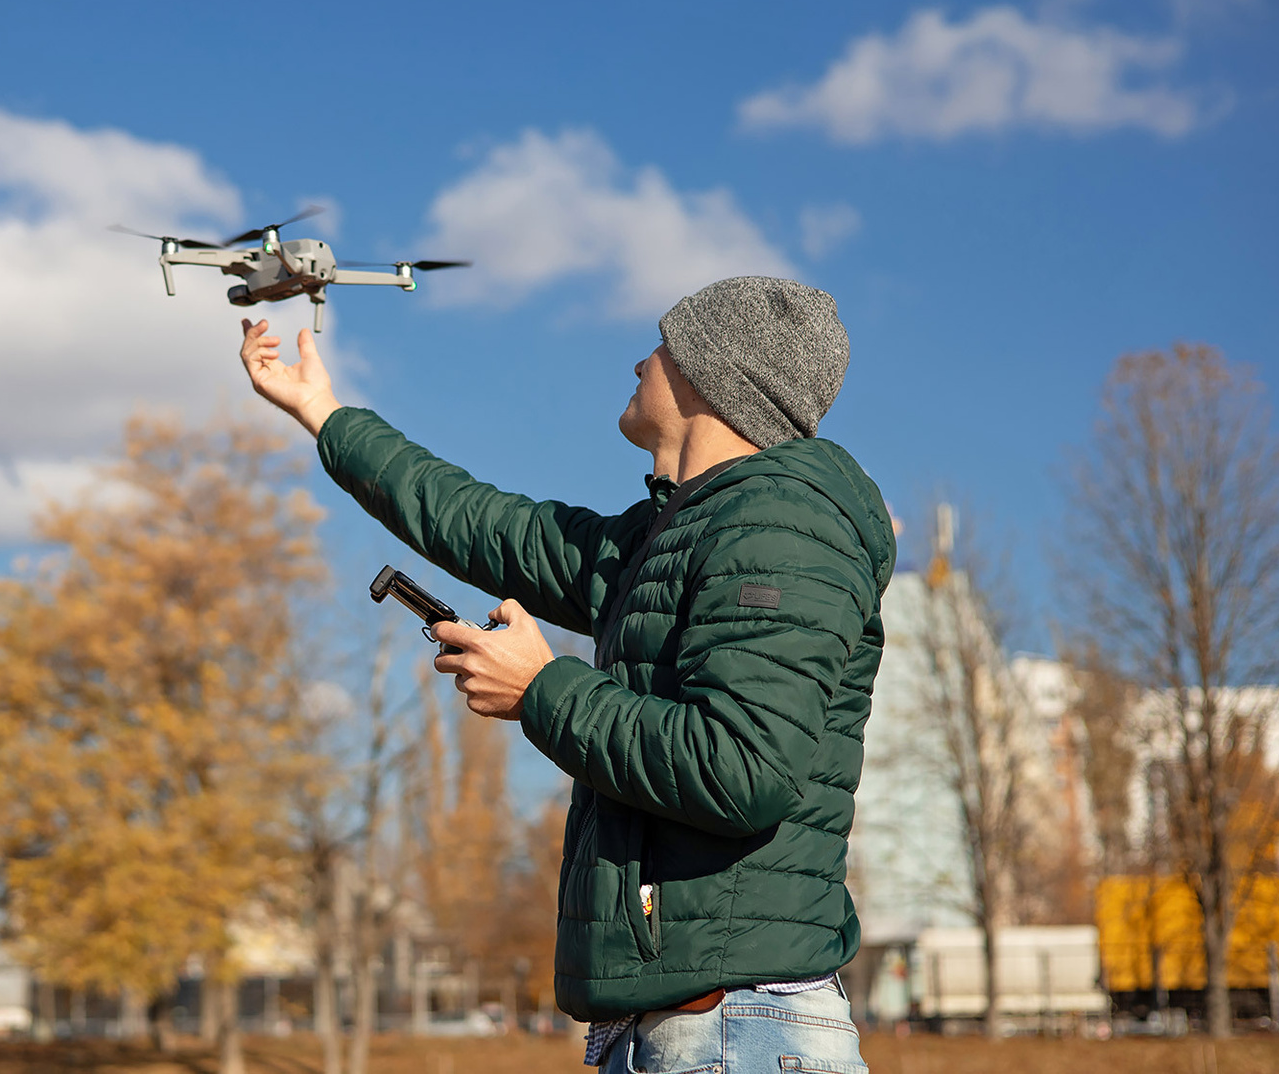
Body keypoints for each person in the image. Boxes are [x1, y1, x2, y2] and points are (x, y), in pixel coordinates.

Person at [238, 275, 894, 1074]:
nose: (641, 362)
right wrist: (323, 412)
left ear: (711, 374)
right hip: (691, 1031)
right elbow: (477, 522)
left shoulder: (781, 523)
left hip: (738, 1030)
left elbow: (742, 767)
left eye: (664, 345)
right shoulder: (665, 535)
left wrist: (540, 689)